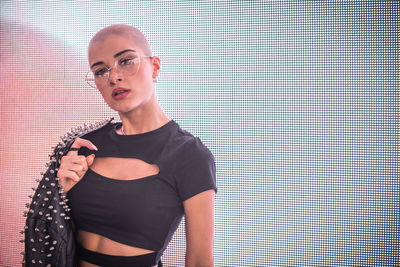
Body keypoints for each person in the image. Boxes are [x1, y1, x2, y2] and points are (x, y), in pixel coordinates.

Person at [56, 24, 217, 267]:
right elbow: (56, 235)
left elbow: (198, 260)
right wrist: (60, 190)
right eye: (100, 71)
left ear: (155, 67)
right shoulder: (85, 145)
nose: (113, 77)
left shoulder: (189, 155)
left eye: (126, 61)